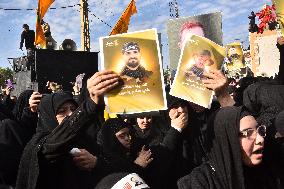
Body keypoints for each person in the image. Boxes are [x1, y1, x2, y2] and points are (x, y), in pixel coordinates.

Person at [16, 70, 121, 189]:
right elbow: (55, 143)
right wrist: (91, 104)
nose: (70, 114)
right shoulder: (40, 145)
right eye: (62, 111)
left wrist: (96, 163)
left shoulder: (85, 141)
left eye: (73, 109)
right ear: (48, 116)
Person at [177, 106, 284, 189]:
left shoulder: (268, 173)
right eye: (248, 133)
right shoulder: (198, 183)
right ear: (226, 139)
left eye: (260, 130)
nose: (260, 139)